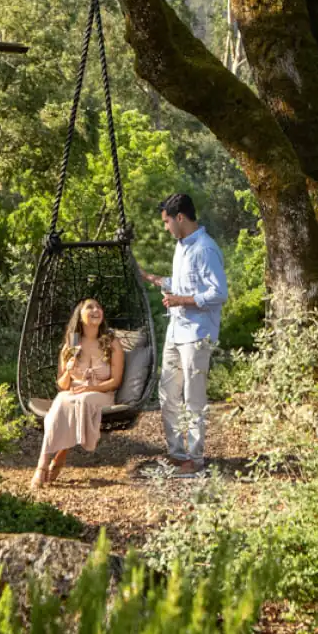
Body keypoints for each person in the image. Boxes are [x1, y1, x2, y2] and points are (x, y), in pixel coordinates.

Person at [140, 193, 228, 475]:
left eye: (167, 222)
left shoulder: (205, 248)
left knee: (193, 398)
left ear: (180, 217)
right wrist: (152, 278)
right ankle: (177, 454)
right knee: (167, 394)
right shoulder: (181, 247)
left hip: (197, 335)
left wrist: (181, 300)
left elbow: (218, 293)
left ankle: (196, 459)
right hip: (175, 332)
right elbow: (181, 284)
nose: (165, 227)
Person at [31, 298, 124, 488]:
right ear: (80, 316)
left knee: (82, 400)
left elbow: (115, 381)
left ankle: (61, 454)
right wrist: (68, 370)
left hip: (101, 393)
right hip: (74, 391)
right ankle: (43, 463)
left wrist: (91, 388)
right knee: (61, 401)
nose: (96, 310)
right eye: (90, 307)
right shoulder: (72, 344)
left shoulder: (111, 342)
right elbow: (62, 385)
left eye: (98, 307)